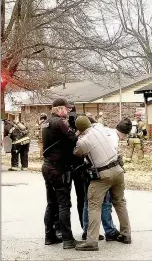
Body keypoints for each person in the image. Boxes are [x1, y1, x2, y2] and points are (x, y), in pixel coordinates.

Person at [74, 116, 132, 251]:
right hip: (118, 170)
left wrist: (78, 136)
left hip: (103, 174)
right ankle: (126, 234)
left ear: (79, 129)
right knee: (120, 202)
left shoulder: (83, 141)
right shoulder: (102, 128)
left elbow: (77, 153)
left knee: (94, 206)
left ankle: (91, 241)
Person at [41, 98, 78, 249]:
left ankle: (49, 235)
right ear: (58, 109)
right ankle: (68, 239)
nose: (68, 111)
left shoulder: (46, 123)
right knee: (64, 204)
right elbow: (73, 139)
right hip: (58, 168)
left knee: (51, 203)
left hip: (47, 166)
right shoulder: (60, 122)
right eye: (66, 109)